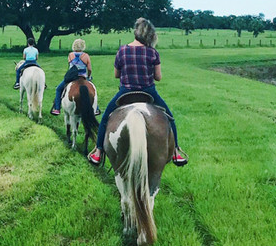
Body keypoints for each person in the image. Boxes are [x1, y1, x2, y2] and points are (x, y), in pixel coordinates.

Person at [87, 18, 188, 167]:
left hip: (125, 92)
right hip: (148, 92)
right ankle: (176, 152)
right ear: (150, 35)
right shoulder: (152, 52)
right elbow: (158, 77)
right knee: (170, 118)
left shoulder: (122, 50)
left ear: (135, 32)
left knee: (105, 119)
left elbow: (116, 74)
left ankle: (98, 151)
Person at [50, 38, 92, 115]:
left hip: (72, 77)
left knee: (58, 89)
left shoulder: (70, 55)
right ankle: (95, 109)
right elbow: (89, 69)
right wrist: (88, 77)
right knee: (92, 90)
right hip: (82, 76)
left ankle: (57, 108)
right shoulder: (86, 56)